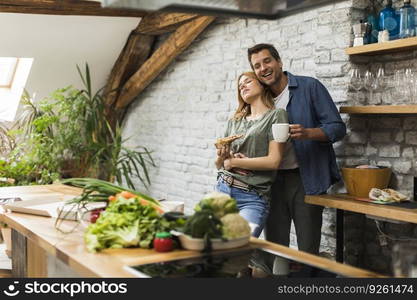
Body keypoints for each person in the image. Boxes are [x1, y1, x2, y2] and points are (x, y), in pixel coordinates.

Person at [246, 43, 346, 274]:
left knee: (307, 250)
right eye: (257, 65)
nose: (263, 68)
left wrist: (308, 133)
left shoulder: (309, 87)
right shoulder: (260, 99)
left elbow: (337, 128)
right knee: (276, 249)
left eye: (267, 61)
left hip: (306, 179)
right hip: (271, 181)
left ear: (279, 62)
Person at [215, 71, 287, 238]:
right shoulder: (235, 120)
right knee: (211, 248)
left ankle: (255, 262)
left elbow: (274, 161)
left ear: (261, 84)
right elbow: (219, 164)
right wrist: (222, 156)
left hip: (252, 197)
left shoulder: (277, 115)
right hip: (222, 189)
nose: (243, 87)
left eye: (247, 82)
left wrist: (234, 163)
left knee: (238, 244)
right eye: (240, 86)